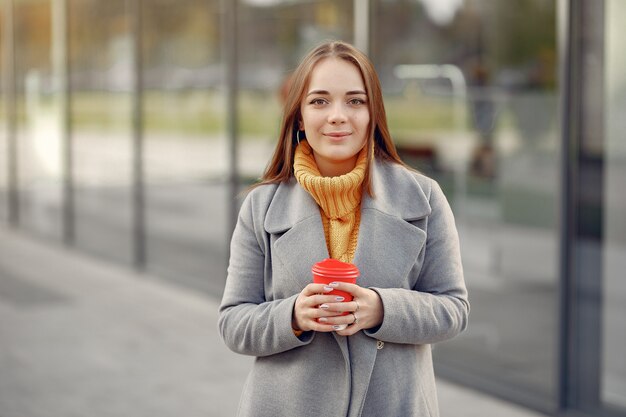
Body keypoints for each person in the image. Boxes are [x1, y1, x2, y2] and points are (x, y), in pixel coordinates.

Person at [218, 40, 469, 417]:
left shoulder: (424, 197)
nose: (338, 115)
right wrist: (294, 316)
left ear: (373, 114)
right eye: (319, 101)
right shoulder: (261, 206)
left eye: (355, 101)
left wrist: (382, 309)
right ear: (300, 116)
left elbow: (454, 309)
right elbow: (234, 322)